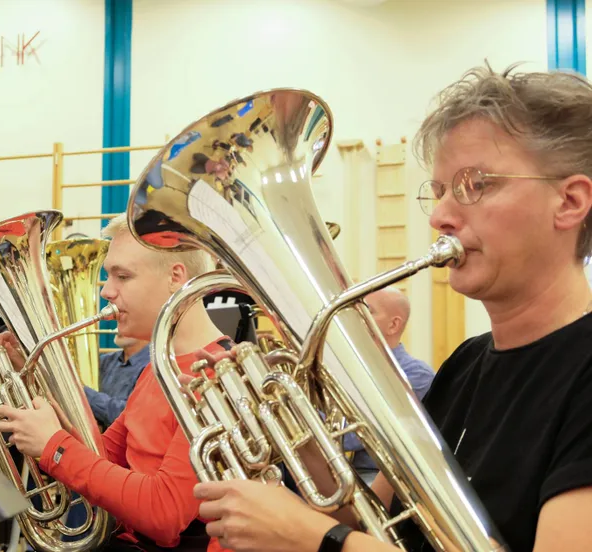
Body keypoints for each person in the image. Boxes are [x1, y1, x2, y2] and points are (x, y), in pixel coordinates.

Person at [191, 63, 592, 552]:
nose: (441, 216)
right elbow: (376, 521)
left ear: (570, 202)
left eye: (474, 184)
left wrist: (317, 539)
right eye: (440, 191)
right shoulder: (465, 365)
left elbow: (341, 540)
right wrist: (305, 447)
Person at [0, 214, 230, 551]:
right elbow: (104, 458)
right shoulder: (159, 368)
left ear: (176, 277)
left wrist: (54, 446)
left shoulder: (217, 375)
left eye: (122, 276)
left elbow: (164, 514)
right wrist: (34, 380)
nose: (106, 290)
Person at [346, 287, 435, 485]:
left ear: (393, 325)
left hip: (385, 478)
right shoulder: (352, 368)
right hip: (350, 471)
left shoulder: (415, 374)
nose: (355, 317)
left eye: (367, 311)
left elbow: (354, 435)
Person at [84, 335, 149, 427]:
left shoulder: (154, 367)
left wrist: (83, 392)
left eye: (128, 320)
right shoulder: (104, 360)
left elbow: (130, 416)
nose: (117, 321)